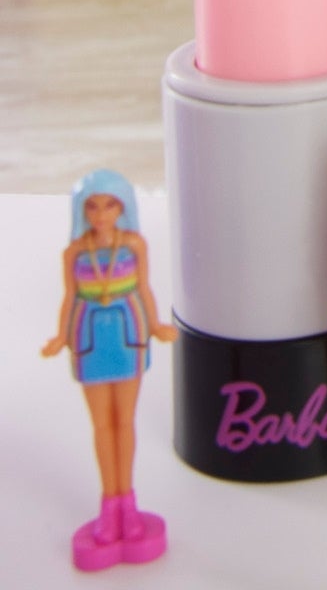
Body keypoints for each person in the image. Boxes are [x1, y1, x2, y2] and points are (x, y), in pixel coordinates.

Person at [41, 170, 174, 572]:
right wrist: (61, 336)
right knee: (102, 424)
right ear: (82, 211)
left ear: (123, 207)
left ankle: (128, 504)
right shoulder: (75, 252)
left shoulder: (134, 245)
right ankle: (109, 504)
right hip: (89, 337)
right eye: (93, 207)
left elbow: (144, 288)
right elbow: (69, 297)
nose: (101, 215)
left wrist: (156, 325)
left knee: (125, 421)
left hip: (127, 332)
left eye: (109, 205)